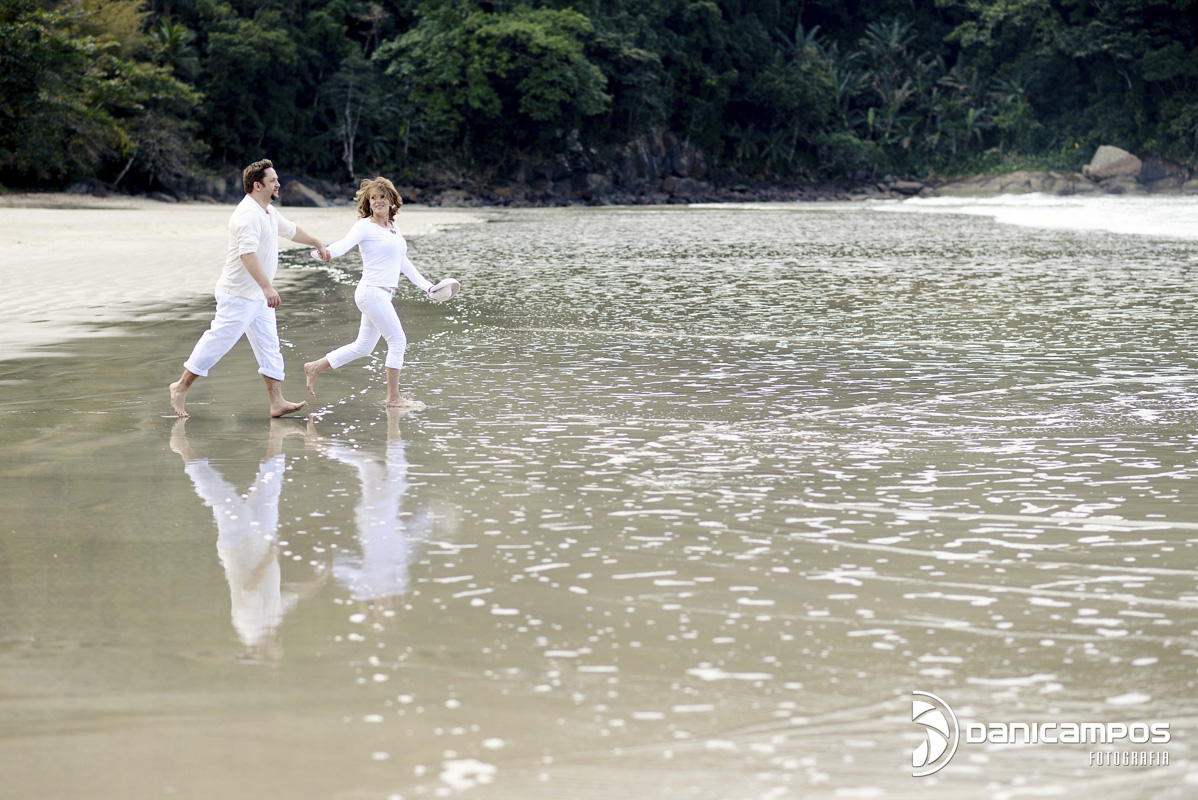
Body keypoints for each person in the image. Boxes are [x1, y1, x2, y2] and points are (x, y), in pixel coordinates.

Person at [169, 159, 331, 418]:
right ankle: (180, 387)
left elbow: (290, 230)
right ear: (258, 185)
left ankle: (277, 402)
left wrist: (317, 242)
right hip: (238, 295)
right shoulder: (247, 215)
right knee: (217, 343)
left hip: (257, 296)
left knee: (270, 347)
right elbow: (247, 254)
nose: (279, 184)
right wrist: (267, 288)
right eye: (273, 181)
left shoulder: (267, 210)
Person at [302, 176, 459, 409]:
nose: (378, 201)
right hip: (371, 292)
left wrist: (428, 286)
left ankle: (315, 366)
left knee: (363, 347)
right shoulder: (364, 225)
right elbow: (343, 245)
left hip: (384, 294)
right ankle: (393, 398)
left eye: (382, 197)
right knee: (398, 341)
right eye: (373, 198)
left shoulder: (394, 229)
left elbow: (403, 263)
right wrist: (324, 252)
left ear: (391, 200)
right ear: (368, 202)